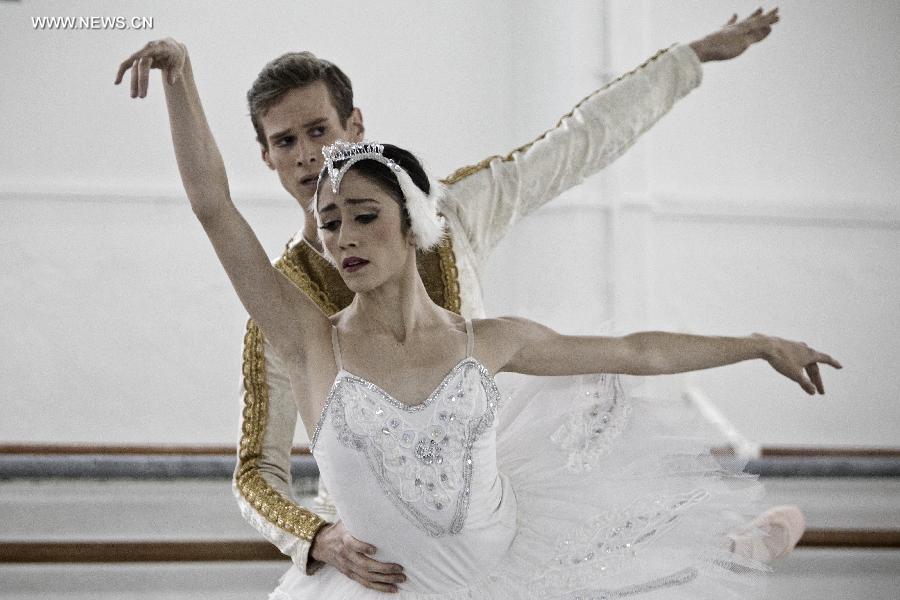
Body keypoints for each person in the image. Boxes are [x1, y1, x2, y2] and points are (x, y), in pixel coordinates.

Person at [114, 7, 803, 593]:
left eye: (318, 132)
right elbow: (255, 470)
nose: (306, 157)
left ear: (355, 125)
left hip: (488, 496)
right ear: (265, 157)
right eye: (285, 142)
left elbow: (575, 146)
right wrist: (318, 536)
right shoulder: (287, 315)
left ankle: (720, 548)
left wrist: (688, 59)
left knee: (629, 559)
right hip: (375, 553)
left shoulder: (455, 216)